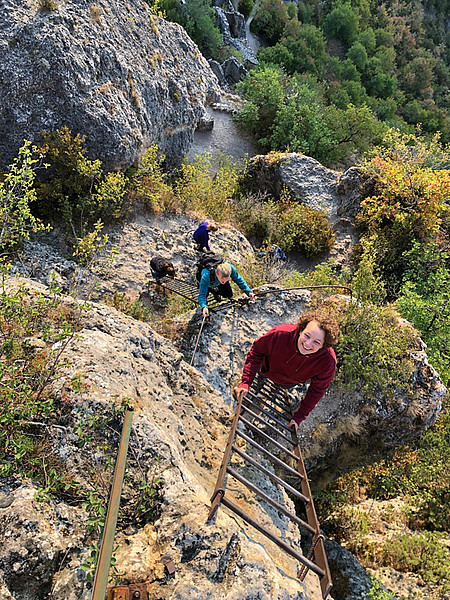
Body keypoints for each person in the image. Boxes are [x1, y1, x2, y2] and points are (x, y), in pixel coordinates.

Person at [234, 310, 339, 431]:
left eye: (316, 342)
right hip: (266, 368)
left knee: (282, 386)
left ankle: (275, 388)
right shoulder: (281, 334)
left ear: (323, 345)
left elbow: (317, 390)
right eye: (307, 335)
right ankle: (260, 382)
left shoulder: (327, 362)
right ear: (301, 330)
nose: (308, 344)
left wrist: (299, 417)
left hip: (289, 382)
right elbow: (257, 351)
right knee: (261, 377)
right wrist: (246, 382)